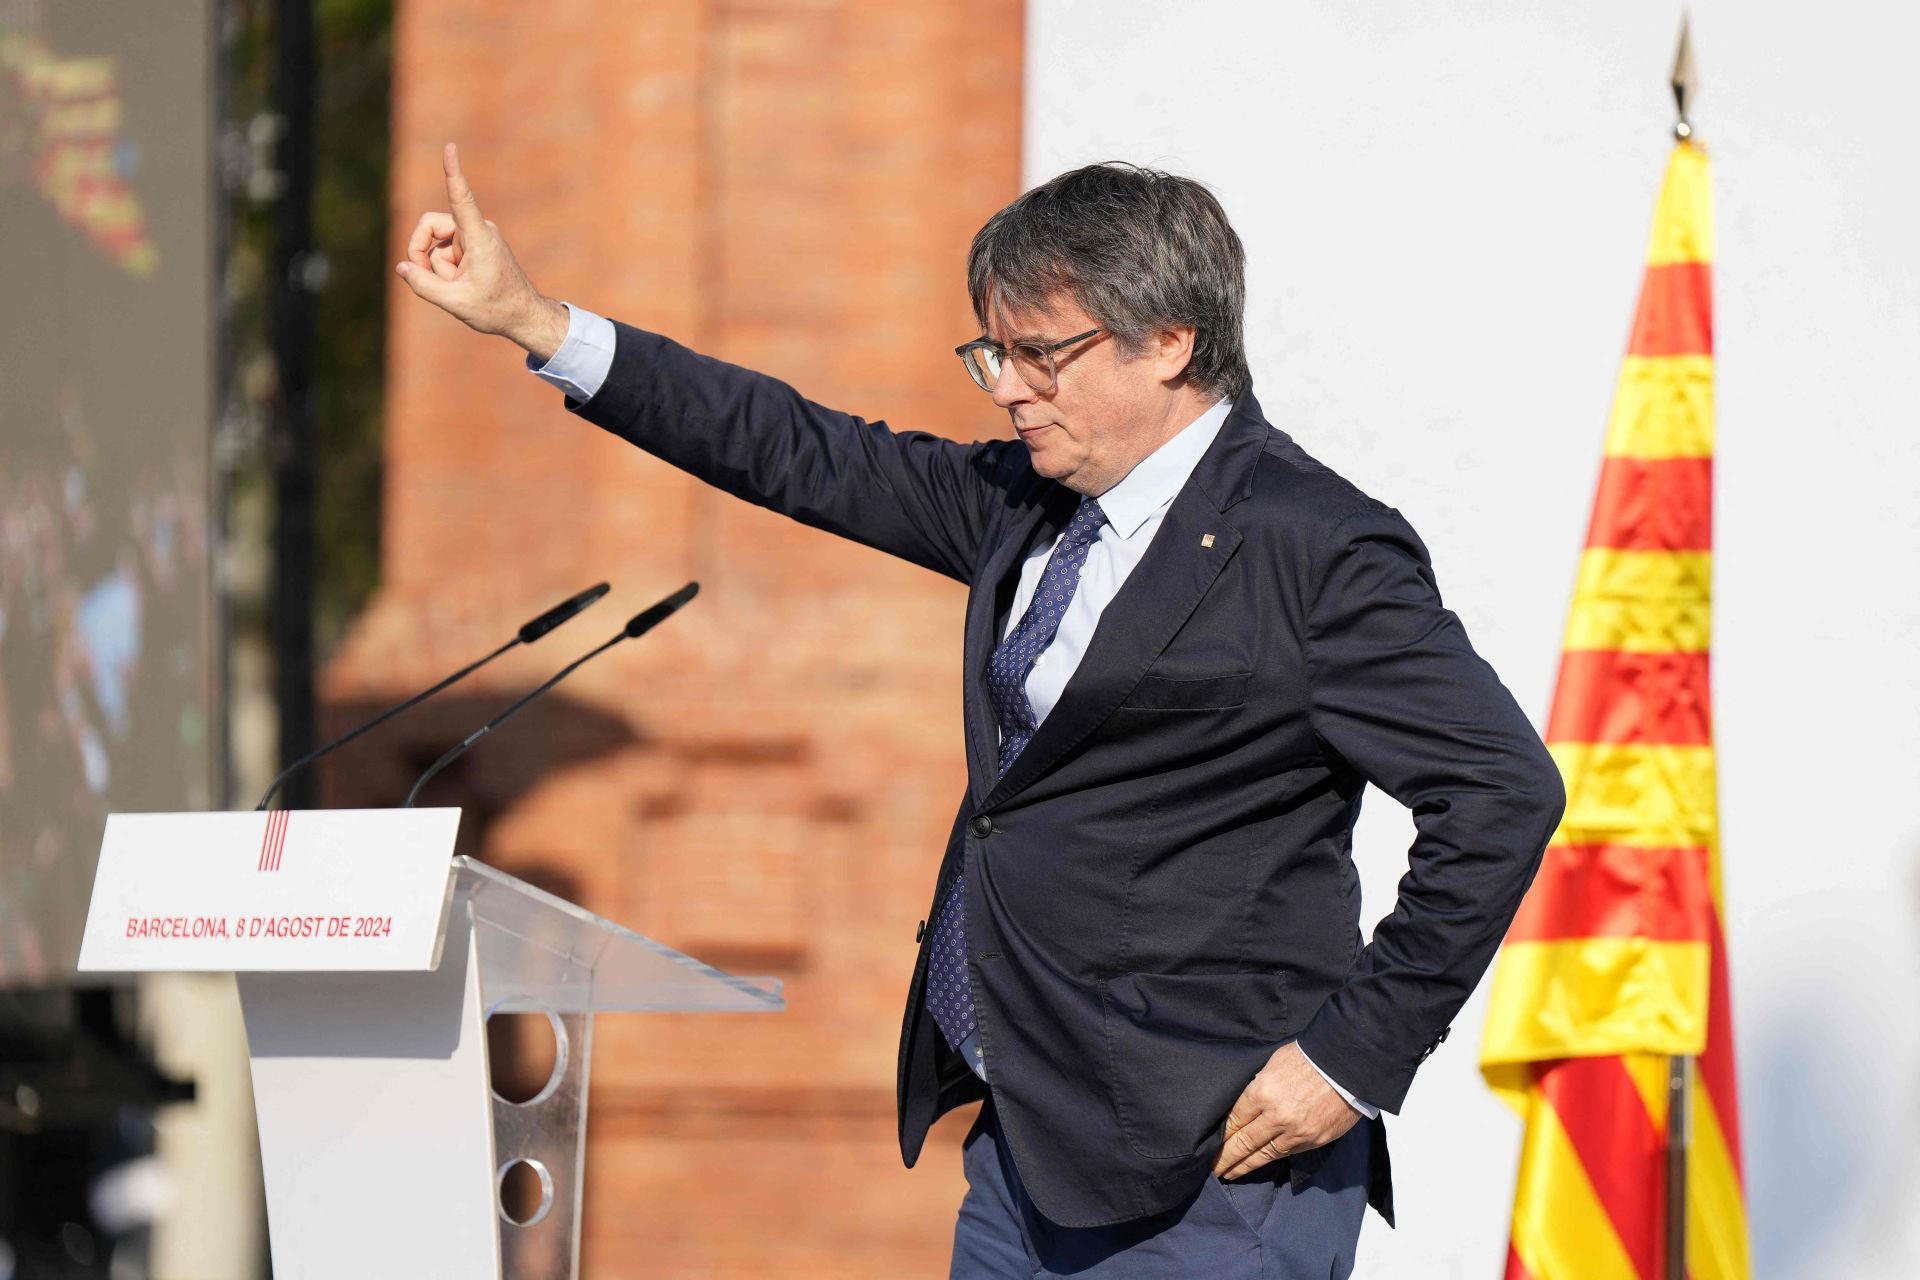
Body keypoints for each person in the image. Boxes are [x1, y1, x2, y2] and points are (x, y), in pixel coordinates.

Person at [398, 143, 1565, 1278]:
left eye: (1040, 354)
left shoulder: (1314, 546)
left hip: (1212, 1167)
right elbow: (798, 450)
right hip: (1025, 1139)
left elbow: (1503, 794)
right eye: (990, 353)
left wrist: (1352, 1056)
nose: (1007, 386)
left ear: (1172, 341)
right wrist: (539, 325)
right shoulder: (1028, 500)